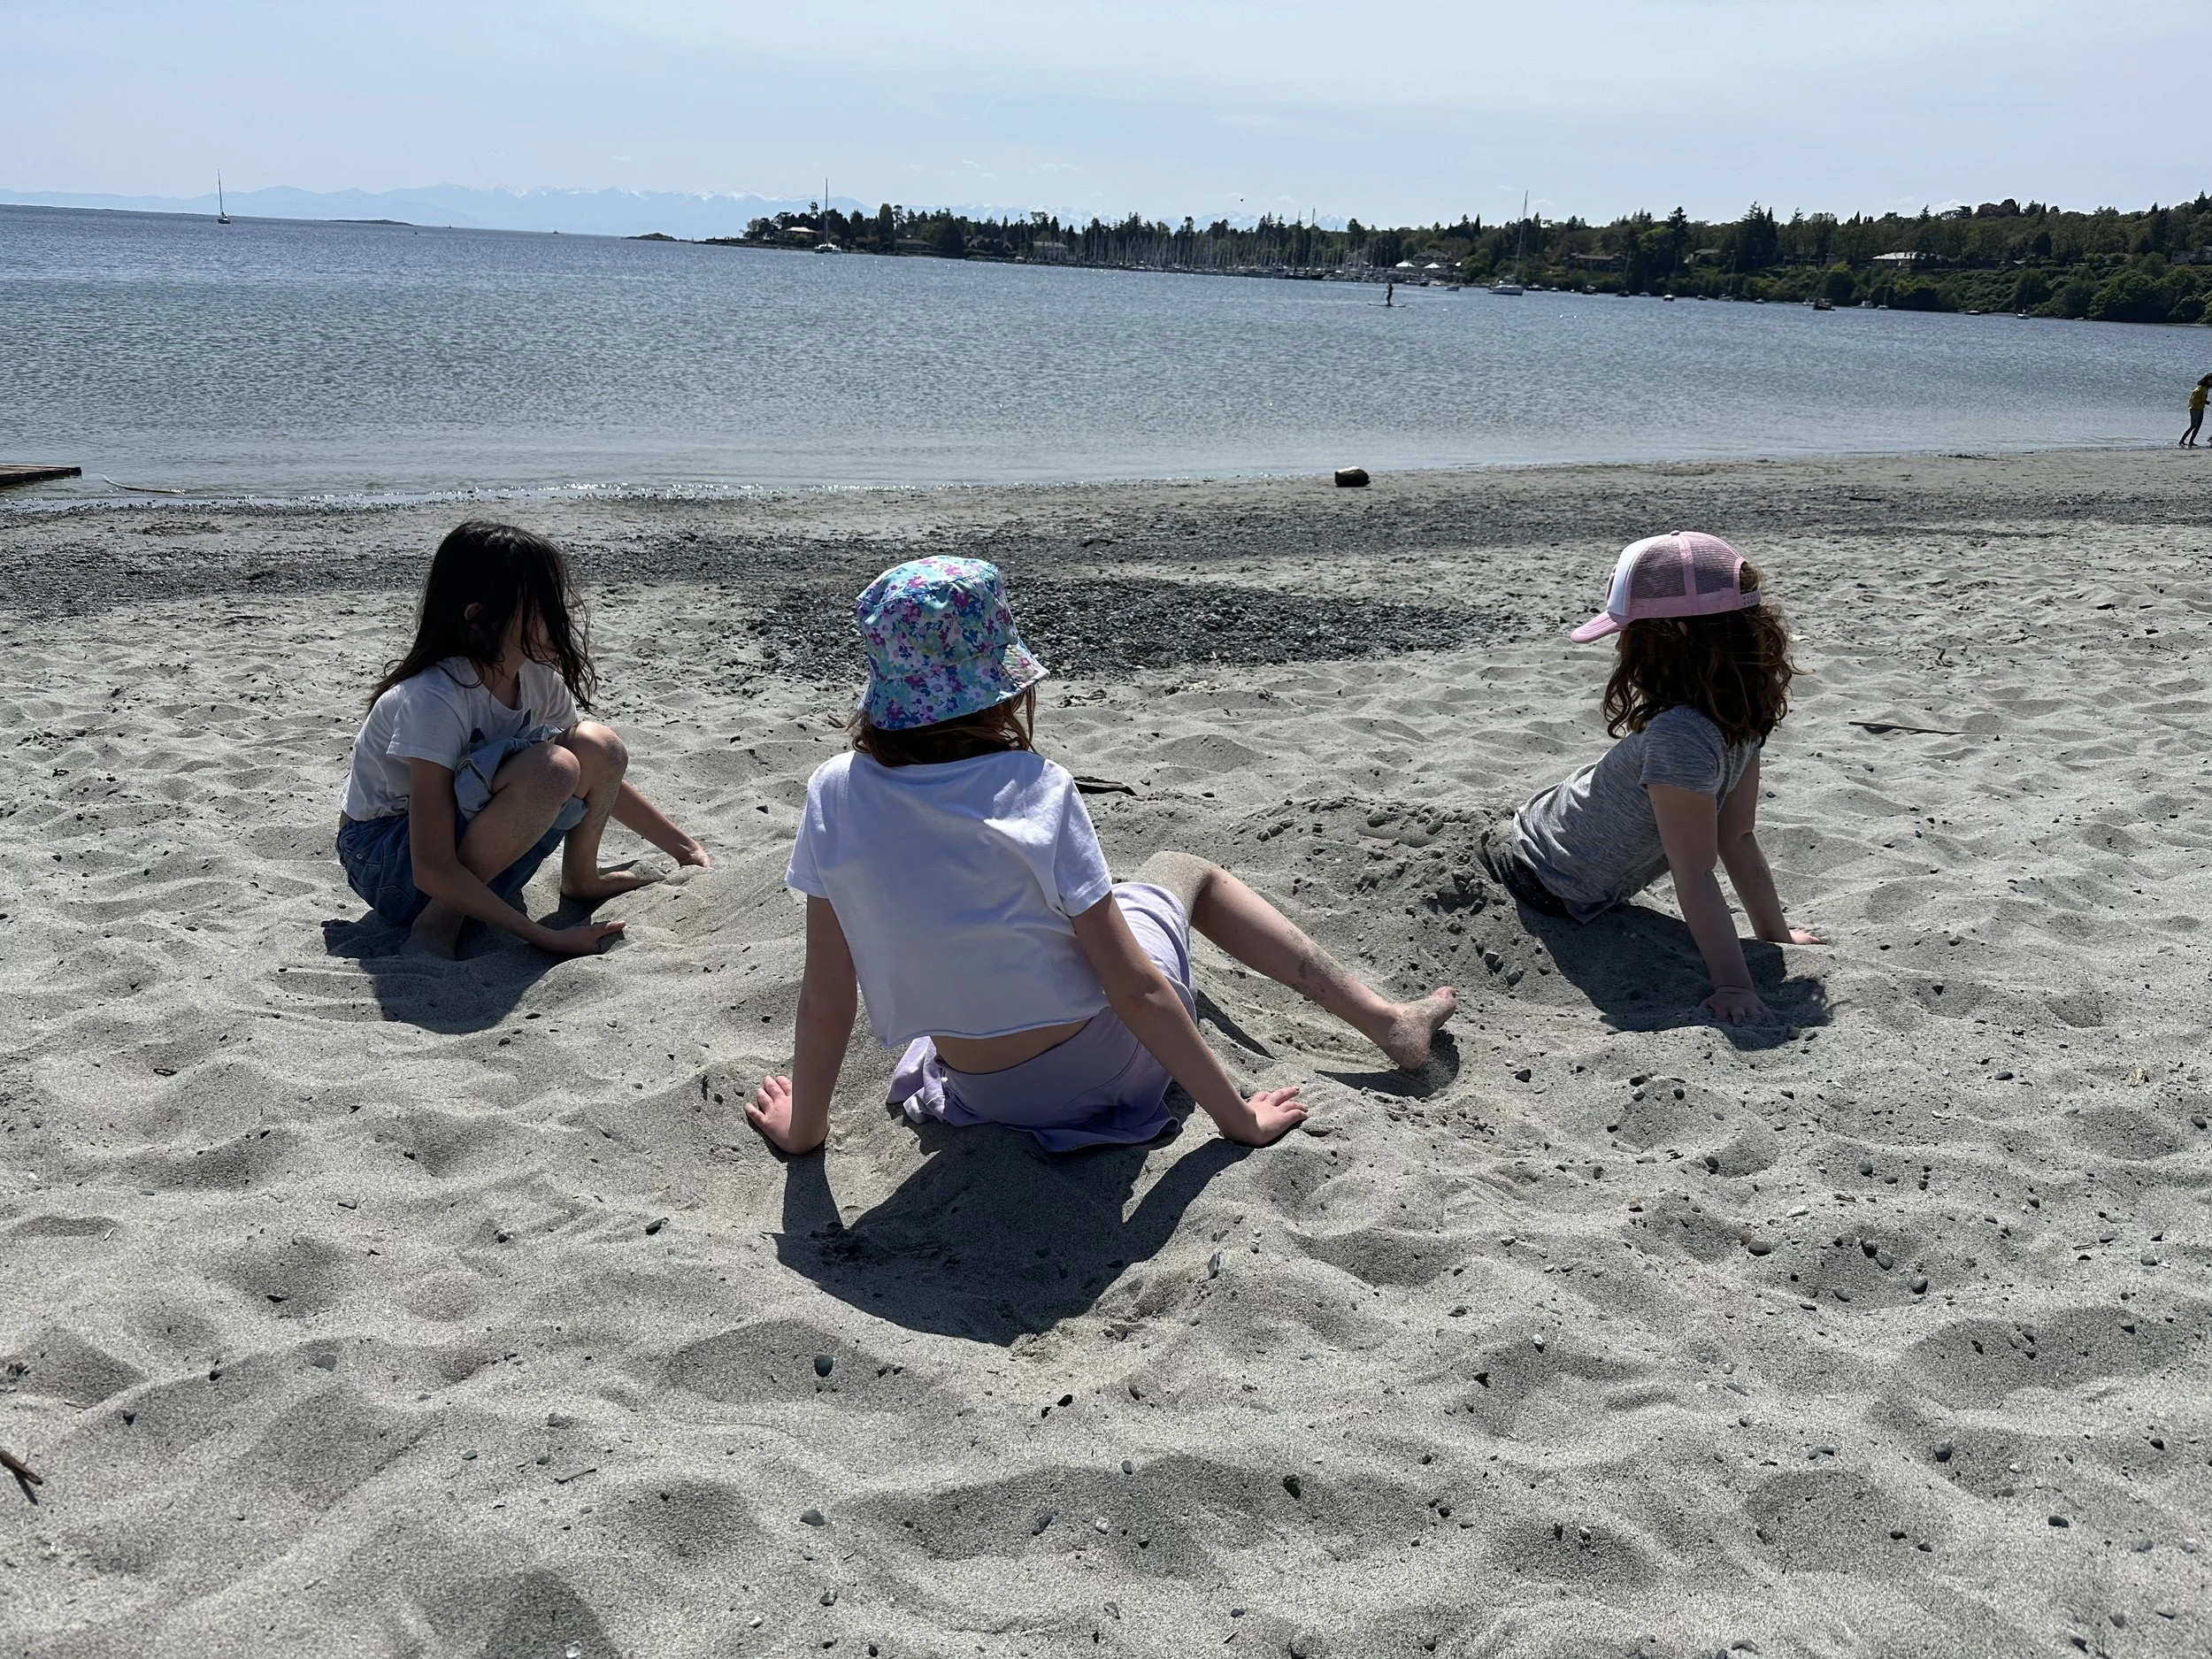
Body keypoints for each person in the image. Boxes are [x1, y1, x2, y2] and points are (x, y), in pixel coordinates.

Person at [747, 557, 1455, 1156]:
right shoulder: (1035, 789)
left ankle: (1377, 1021)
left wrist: (804, 1130)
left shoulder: (833, 792)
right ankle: (1386, 1023)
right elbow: (1137, 991)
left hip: (984, 1089)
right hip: (1110, 1072)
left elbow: (828, 994)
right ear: (1002, 687)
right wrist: (1240, 1120)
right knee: (1181, 872)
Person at [1479, 531, 1820, 1025]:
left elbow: (1724, 848)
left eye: (1628, 632)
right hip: (1527, 861)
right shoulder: (1718, 717)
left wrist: (1759, 955)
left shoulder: (1709, 727)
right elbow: (1715, 856)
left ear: (1673, 636)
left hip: (1548, 877)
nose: (1621, 644)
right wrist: (1745, 970)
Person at [336, 520, 710, 956]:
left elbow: (601, 776)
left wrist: (686, 849)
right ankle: (437, 924)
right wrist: (546, 937)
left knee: (597, 745)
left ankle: (582, 879)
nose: (562, 619)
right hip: (391, 866)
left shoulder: (535, 679)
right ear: (478, 618)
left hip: (474, 858)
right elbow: (431, 868)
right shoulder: (434, 698)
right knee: (553, 766)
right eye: (543, 606)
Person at [2182, 374, 2210, 448]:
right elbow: (2193, 400)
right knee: (2193, 425)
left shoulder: (2206, 389)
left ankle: (2191, 442)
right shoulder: (2200, 389)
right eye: (2211, 380)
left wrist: (2204, 401)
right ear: (2207, 380)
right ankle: (2182, 441)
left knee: (2198, 426)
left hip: (2200, 408)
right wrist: (2204, 401)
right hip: (2194, 408)